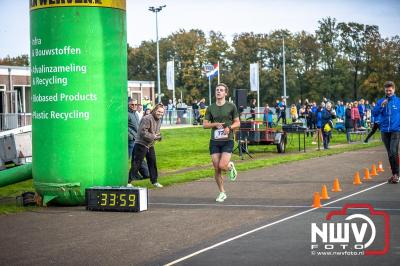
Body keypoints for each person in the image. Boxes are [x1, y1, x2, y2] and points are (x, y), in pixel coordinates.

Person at [203, 83, 240, 202]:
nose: (218, 92)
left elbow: (238, 123)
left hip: (227, 140)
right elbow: (205, 124)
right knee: (216, 168)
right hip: (214, 141)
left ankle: (230, 166)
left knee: (222, 165)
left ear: (225, 93)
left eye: (221, 90)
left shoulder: (231, 106)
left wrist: (229, 128)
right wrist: (214, 124)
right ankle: (222, 192)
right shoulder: (210, 107)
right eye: (217, 90)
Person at [128, 104, 165, 188]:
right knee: (137, 163)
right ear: (155, 110)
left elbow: (156, 132)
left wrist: (159, 137)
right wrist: (153, 136)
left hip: (150, 144)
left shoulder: (159, 120)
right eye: (159, 111)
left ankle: (154, 181)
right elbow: (142, 132)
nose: (160, 113)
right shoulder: (147, 118)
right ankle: (129, 181)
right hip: (141, 144)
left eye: (162, 112)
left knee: (152, 162)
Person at [372, 81, 400, 184]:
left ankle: (396, 174)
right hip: (384, 131)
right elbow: (374, 113)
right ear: (384, 90)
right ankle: (394, 174)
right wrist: (381, 106)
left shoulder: (398, 101)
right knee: (390, 154)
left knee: (393, 151)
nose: (388, 92)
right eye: (386, 90)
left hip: (396, 130)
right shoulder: (380, 101)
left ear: (394, 89)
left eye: (390, 90)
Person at [128, 99, 150, 180]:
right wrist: (131, 137)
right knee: (137, 157)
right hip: (131, 140)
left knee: (137, 157)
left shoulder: (136, 114)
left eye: (135, 104)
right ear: (128, 105)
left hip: (137, 139)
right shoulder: (126, 114)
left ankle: (137, 174)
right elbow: (124, 128)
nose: (134, 106)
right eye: (131, 104)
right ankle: (144, 174)